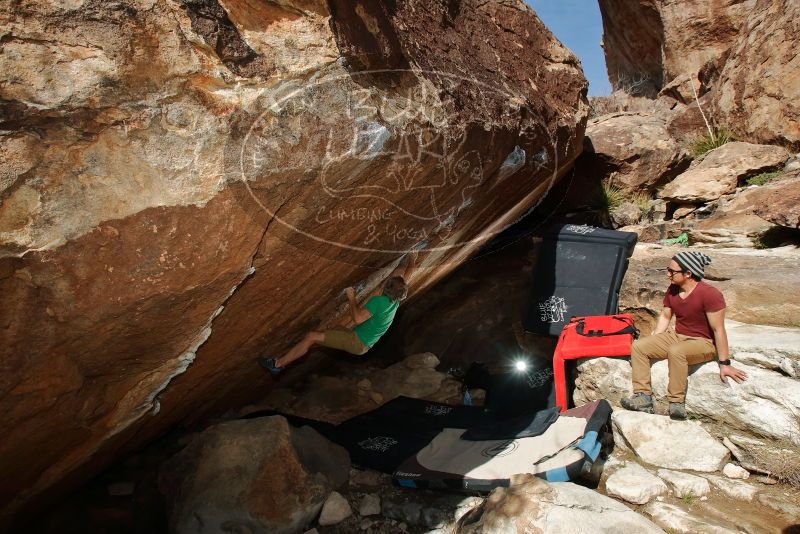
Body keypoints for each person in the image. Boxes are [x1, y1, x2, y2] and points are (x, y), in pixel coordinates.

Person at [620, 251, 747, 420]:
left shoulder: (710, 294)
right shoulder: (673, 289)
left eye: (672, 271)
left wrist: (724, 364)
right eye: (668, 270)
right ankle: (643, 397)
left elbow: (718, 330)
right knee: (639, 347)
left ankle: (676, 403)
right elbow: (666, 316)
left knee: (676, 351)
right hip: (677, 335)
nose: (668, 274)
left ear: (688, 273)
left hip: (704, 342)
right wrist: (655, 340)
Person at [257, 252, 417, 375]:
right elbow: (406, 278)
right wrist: (412, 259)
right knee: (334, 328)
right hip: (362, 342)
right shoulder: (395, 300)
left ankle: (277, 365)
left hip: (356, 342)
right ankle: (304, 348)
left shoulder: (378, 301)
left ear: (386, 288)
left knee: (311, 336)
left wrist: (351, 297)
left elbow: (358, 318)